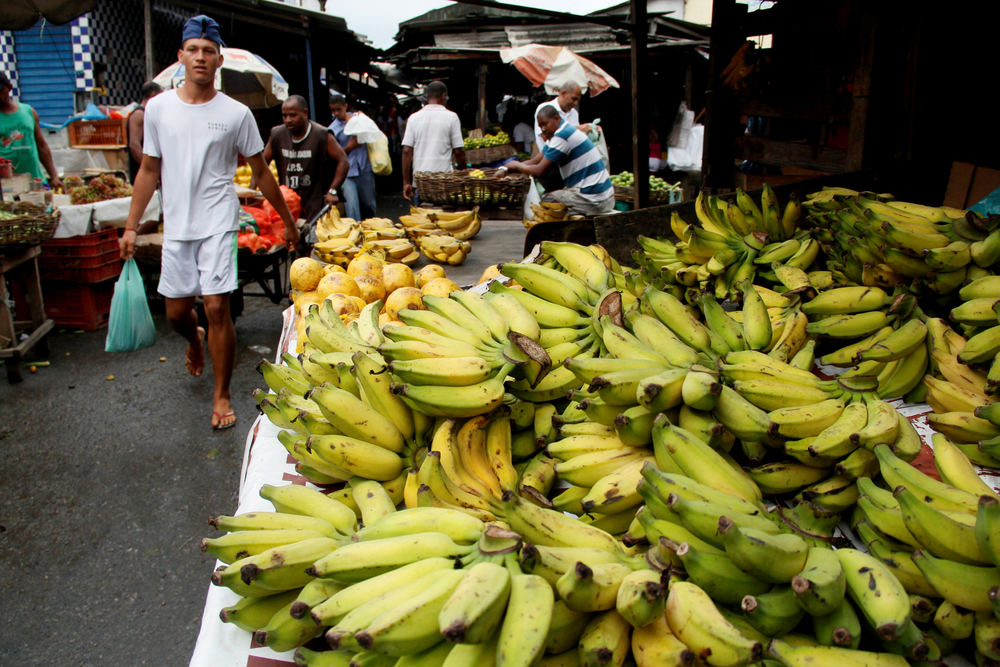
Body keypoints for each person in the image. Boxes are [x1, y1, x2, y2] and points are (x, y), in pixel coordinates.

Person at [119, 14, 297, 431]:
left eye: (209, 51)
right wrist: (131, 225)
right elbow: (148, 169)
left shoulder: (236, 114)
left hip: (219, 220)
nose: (201, 57)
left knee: (218, 306)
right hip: (178, 225)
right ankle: (193, 340)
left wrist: (287, 221)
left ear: (220, 61)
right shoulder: (158, 108)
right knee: (178, 314)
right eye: (193, 50)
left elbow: (262, 173)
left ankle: (221, 395)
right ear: (181, 56)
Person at [499, 104, 613, 217]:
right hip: (603, 197)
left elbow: (539, 170)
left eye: (545, 124)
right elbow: (535, 161)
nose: (543, 129)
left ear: (556, 119)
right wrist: (507, 168)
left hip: (595, 200)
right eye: (540, 126)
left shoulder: (562, 135)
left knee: (546, 200)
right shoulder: (560, 133)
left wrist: (516, 165)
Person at [261, 94, 349, 223]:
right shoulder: (277, 134)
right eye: (284, 116)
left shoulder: (321, 135)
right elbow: (262, 164)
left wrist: (333, 190)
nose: (288, 120)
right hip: (286, 202)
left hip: (314, 202)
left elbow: (343, 161)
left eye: (292, 115)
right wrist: (252, 192)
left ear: (305, 113)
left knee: (312, 238)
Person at [401, 81, 466, 203]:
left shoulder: (413, 118)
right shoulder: (452, 117)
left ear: (426, 97)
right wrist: (465, 174)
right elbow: (458, 152)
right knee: (443, 219)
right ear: (443, 96)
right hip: (444, 182)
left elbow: (406, 151)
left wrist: (406, 182)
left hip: (421, 182)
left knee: (421, 219)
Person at [0, 70, 62, 191]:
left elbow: (41, 146)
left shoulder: (28, 111)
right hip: (7, 187)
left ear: (9, 88)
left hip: (36, 182)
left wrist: (54, 176)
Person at [532, 81, 593, 193]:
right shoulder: (546, 109)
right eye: (573, 98)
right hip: (550, 164)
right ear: (563, 93)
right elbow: (547, 138)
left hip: (568, 166)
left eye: (577, 99)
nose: (575, 102)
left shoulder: (574, 113)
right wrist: (579, 129)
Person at [329, 93, 376, 221]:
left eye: (339, 109)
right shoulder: (332, 129)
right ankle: (355, 235)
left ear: (345, 106)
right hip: (347, 173)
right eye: (333, 110)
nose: (336, 113)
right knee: (352, 208)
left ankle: (372, 230)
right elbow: (333, 155)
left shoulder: (359, 119)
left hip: (364, 168)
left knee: (369, 205)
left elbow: (372, 133)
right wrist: (349, 147)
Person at [127, 81, 163, 184]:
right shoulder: (139, 114)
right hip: (143, 172)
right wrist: (148, 171)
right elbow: (134, 145)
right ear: (153, 94)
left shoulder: (149, 113)